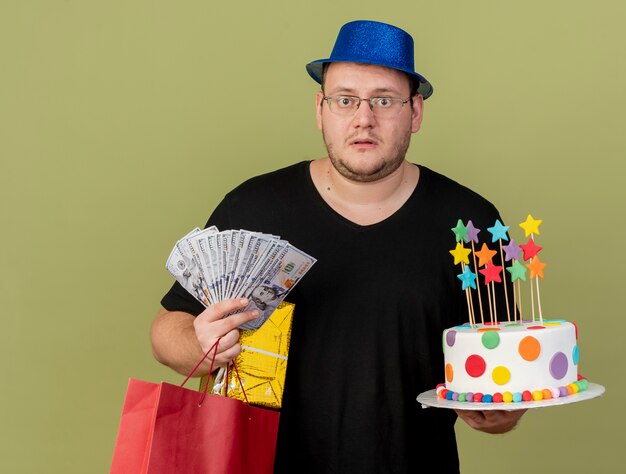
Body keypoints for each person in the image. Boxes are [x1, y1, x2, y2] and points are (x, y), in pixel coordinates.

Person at [151, 20, 526, 473]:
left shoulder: (470, 224)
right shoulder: (254, 208)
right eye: (345, 99)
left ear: (416, 112)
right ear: (320, 109)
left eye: (384, 100)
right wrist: (200, 342)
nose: (363, 118)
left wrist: (502, 413)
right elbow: (165, 332)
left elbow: (504, 377)